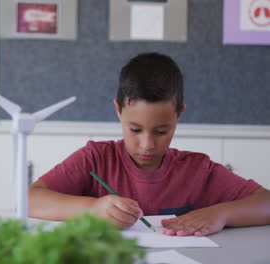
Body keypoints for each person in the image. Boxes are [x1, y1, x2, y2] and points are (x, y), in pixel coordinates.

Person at [28, 52, 270, 236]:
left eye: (162, 131)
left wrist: (221, 213)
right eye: (135, 130)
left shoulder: (197, 169)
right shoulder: (95, 158)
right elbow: (29, 199)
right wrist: (92, 209)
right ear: (118, 110)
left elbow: (266, 202)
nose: (147, 145)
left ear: (179, 115)